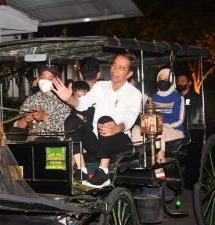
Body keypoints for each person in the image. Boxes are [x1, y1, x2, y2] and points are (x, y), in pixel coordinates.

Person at [53, 53, 142, 188]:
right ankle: (81, 169)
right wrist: (68, 98)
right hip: (96, 141)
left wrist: (117, 127)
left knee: (104, 119)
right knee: (72, 120)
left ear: (129, 74)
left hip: (119, 141)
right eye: (114, 65)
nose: (115, 70)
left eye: (121, 68)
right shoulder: (100, 86)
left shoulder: (134, 94)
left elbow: (129, 117)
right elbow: (83, 103)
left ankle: (103, 172)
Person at [11, 66, 71, 141]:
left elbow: (62, 129)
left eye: (50, 79)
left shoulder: (63, 100)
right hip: (31, 144)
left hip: (55, 146)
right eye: (43, 77)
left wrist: (44, 116)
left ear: (57, 81)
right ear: (38, 79)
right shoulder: (31, 100)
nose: (46, 81)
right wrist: (25, 120)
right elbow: (18, 128)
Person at [176, 73, 204, 188]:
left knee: (194, 148)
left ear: (189, 83)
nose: (180, 83)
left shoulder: (195, 98)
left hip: (193, 129)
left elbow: (198, 119)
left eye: (182, 81)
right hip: (179, 129)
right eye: (178, 82)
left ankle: (191, 179)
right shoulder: (176, 97)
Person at [152, 68, 186, 159]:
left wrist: (161, 125)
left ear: (171, 81)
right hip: (155, 130)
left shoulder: (178, 97)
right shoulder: (153, 98)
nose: (163, 81)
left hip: (175, 131)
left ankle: (159, 169)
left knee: (159, 131)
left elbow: (180, 120)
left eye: (166, 79)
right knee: (136, 131)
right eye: (160, 79)